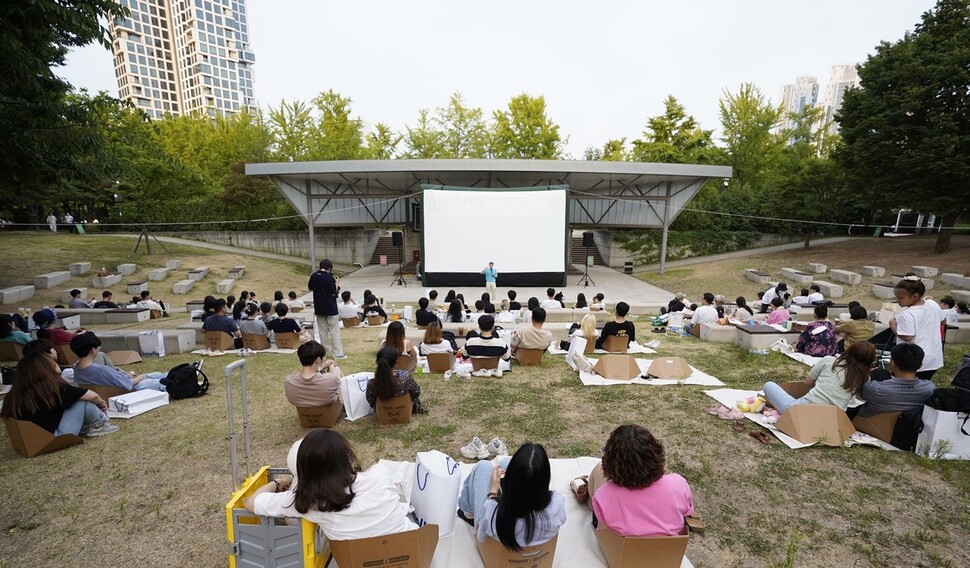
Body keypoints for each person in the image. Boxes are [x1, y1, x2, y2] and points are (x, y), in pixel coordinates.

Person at [244, 429, 417, 540]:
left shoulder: (307, 503)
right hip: (412, 555)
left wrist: (277, 482)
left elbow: (250, 503)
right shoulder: (380, 474)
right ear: (344, 456)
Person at [587, 424, 693, 537]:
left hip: (620, 552)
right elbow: (685, 514)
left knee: (598, 470)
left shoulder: (604, 494)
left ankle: (589, 500)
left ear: (611, 464)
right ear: (656, 454)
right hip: (666, 551)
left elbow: (602, 531)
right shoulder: (679, 485)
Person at [458, 442, 565, 550]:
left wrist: (493, 492)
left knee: (483, 466)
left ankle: (468, 513)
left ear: (511, 481)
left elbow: (481, 537)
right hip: (536, 549)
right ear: (545, 478)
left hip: (498, 545)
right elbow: (561, 520)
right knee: (506, 462)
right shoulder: (557, 501)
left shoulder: (493, 510)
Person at [0, 353, 119, 436]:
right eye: (52, 361)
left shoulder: (18, 393)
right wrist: (101, 403)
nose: (56, 363)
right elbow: (93, 396)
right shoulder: (51, 387)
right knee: (82, 401)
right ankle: (100, 424)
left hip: (35, 437)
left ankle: (89, 425)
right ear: (44, 368)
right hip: (56, 436)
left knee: (75, 400)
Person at [764, 341, 875, 414]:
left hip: (805, 409)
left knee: (769, 385)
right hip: (834, 417)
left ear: (849, 350)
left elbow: (807, 382)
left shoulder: (830, 361)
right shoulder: (865, 377)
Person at [857, 344, 935, 418]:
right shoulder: (929, 388)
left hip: (870, 425)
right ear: (921, 365)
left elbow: (860, 392)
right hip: (907, 425)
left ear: (893, 364)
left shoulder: (875, 389)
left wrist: (866, 373)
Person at [70, 332, 167, 391]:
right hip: (132, 390)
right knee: (167, 379)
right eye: (98, 348)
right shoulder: (101, 370)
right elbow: (128, 384)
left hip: (117, 387)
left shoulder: (77, 369)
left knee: (160, 374)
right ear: (92, 350)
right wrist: (142, 376)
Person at [890, 277, 944, 380]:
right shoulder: (933, 304)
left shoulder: (907, 314)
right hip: (933, 358)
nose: (897, 301)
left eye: (900, 298)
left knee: (903, 388)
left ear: (915, 296)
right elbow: (943, 320)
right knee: (921, 387)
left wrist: (892, 324)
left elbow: (907, 336)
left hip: (912, 360)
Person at [366, 347, 424, 413]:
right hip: (403, 411)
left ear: (377, 362)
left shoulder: (372, 383)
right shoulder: (406, 379)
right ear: (396, 362)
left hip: (383, 413)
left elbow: (371, 400)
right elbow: (416, 392)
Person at [284, 341, 341, 407]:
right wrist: (331, 366)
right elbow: (336, 380)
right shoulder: (330, 380)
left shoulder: (289, 381)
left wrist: (321, 366)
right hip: (328, 412)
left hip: (303, 413)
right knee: (336, 368)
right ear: (318, 360)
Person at [308, 259, 345, 359]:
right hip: (331, 308)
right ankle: (337, 353)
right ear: (329, 268)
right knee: (334, 332)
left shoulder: (314, 276)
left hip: (319, 308)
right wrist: (336, 283)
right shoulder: (330, 278)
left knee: (322, 332)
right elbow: (334, 293)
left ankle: (323, 353)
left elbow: (310, 287)